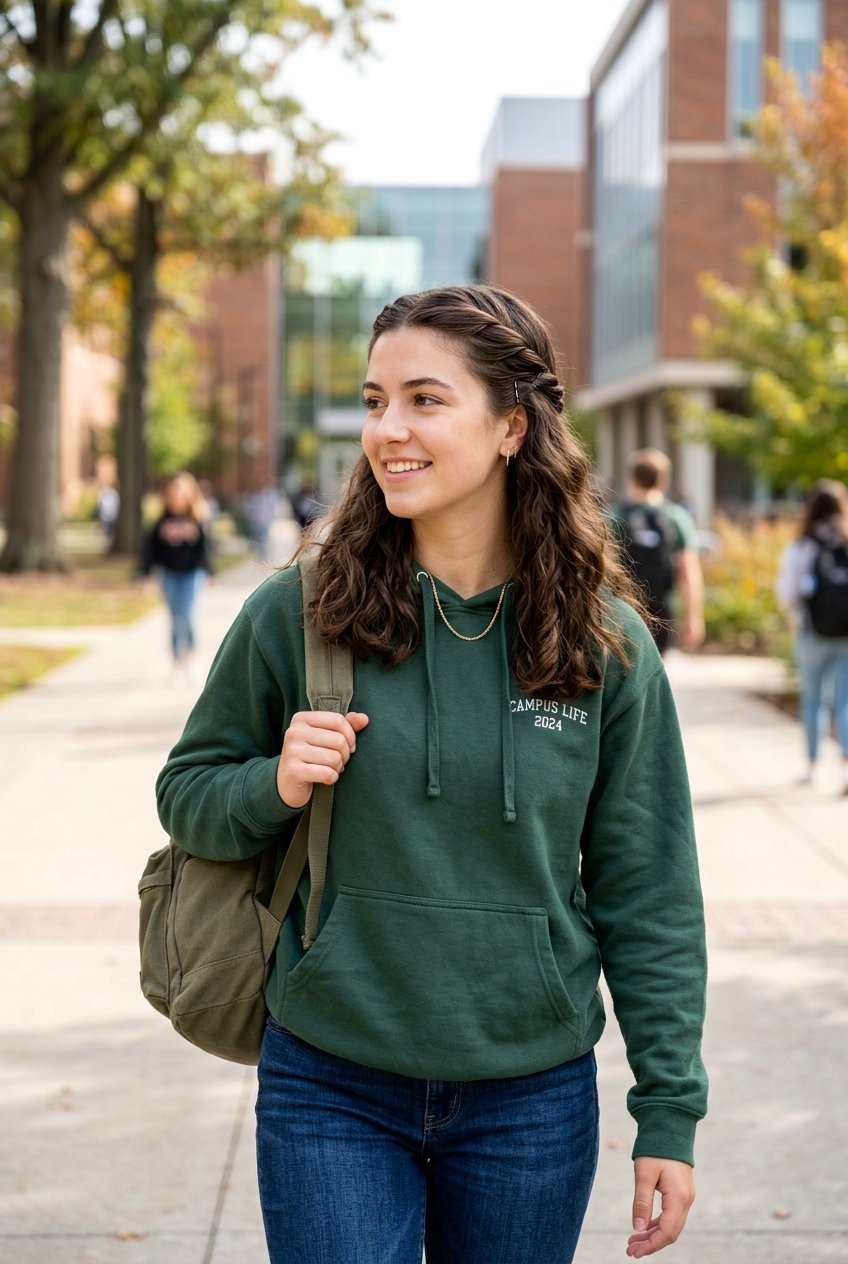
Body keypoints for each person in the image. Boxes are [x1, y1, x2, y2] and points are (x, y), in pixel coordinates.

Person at [156, 285, 708, 1264]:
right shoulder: (297, 611)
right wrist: (271, 784)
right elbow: (187, 792)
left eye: (422, 399)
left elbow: (650, 889)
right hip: (330, 1076)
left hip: (529, 1096)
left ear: (509, 426)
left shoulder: (602, 643)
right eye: (373, 401)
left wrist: (667, 1109)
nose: (387, 429)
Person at [775, 479, 848, 793]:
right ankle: (846, 765)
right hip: (847, 634)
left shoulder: (802, 545)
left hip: (812, 632)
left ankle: (813, 766)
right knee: (845, 701)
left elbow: (786, 592)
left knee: (814, 700)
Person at [609, 449, 705, 656]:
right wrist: (693, 618)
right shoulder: (676, 517)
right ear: (663, 481)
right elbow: (689, 571)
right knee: (657, 668)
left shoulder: (615, 516)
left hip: (623, 610)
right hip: (662, 609)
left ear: (631, 479)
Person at [140, 472, 213, 680]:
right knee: (173, 618)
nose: (177, 497)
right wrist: (146, 572)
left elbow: (207, 548)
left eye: (182, 492)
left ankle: (190, 656)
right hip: (169, 574)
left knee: (188, 617)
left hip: (192, 574)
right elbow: (151, 549)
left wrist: (210, 572)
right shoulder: (162, 520)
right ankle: (176, 662)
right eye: (174, 493)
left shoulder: (197, 519)